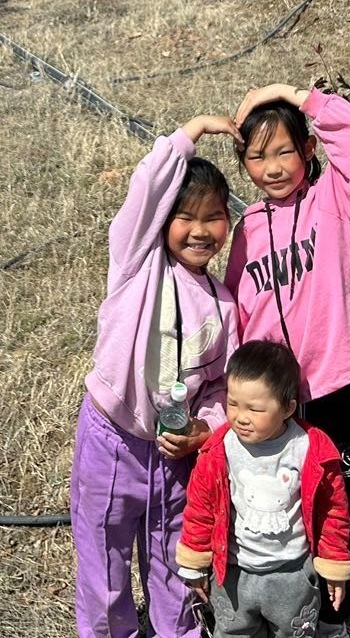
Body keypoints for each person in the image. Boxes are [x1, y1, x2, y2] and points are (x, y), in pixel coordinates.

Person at [72, 115, 243, 638]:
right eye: (184, 217)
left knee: (176, 560)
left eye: (214, 217)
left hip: (175, 454)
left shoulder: (223, 304)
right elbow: (147, 188)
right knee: (103, 562)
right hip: (111, 442)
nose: (199, 230)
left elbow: (218, 386)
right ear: (160, 220)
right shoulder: (137, 263)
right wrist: (191, 132)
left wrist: (205, 428)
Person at [224, 83, 350, 633]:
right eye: (257, 156)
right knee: (282, 502)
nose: (273, 167)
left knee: (343, 496)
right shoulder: (247, 231)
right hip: (276, 402)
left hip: (336, 382)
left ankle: (337, 616)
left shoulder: (334, 199)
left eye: (284, 151)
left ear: (308, 151)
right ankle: (287, 607)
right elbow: (242, 316)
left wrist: (282, 92)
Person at [174, 340, 350, 637]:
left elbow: (333, 510)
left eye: (255, 409)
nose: (241, 417)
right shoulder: (219, 448)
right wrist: (194, 562)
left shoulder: (310, 449)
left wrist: (334, 563)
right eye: (232, 403)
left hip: (292, 575)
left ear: (287, 408)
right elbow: (200, 508)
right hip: (234, 572)